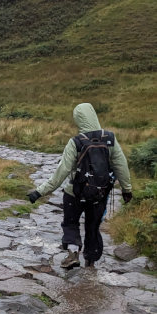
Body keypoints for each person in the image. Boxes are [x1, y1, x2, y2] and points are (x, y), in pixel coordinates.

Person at [27, 103, 132, 269]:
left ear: (78, 119)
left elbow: (61, 172)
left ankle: (73, 253)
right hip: (100, 194)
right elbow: (121, 166)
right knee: (93, 226)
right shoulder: (110, 139)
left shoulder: (76, 142)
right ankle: (90, 261)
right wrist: (127, 189)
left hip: (74, 193)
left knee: (70, 223)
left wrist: (39, 192)